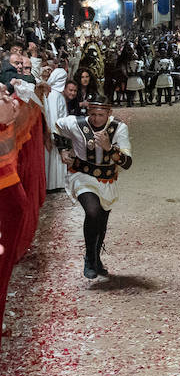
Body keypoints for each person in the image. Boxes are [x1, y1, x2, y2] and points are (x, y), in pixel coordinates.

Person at [54, 90, 133, 279]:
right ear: (88, 112)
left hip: (107, 179)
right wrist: (63, 150)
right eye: (93, 114)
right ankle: (89, 258)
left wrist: (109, 148)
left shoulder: (118, 128)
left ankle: (97, 256)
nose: (96, 119)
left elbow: (127, 163)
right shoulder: (76, 123)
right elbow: (57, 127)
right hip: (81, 175)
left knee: (101, 220)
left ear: (109, 113)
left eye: (101, 115)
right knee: (92, 211)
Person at [43, 66, 69, 192]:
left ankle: (57, 183)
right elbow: (53, 117)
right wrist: (55, 135)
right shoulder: (54, 95)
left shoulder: (55, 94)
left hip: (60, 131)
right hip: (56, 132)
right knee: (53, 159)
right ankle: (53, 185)